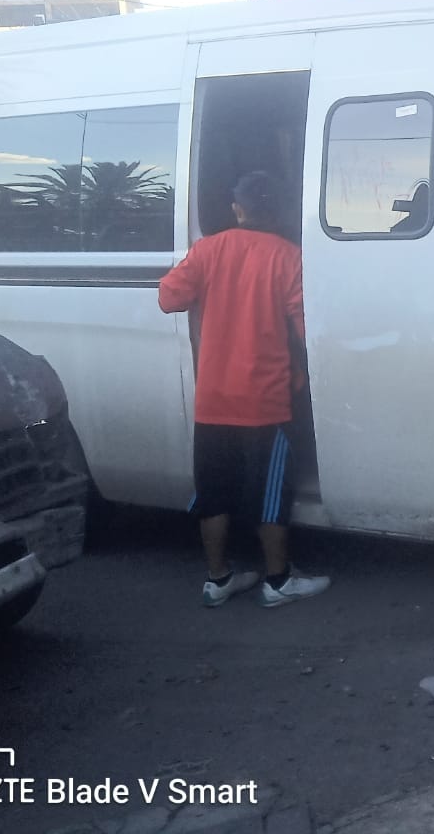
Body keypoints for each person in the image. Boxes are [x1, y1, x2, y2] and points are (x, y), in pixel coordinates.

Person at [159, 171, 330, 609]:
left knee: (212, 492)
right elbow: (307, 328)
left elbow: (168, 298)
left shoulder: (208, 250)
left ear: (238, 209)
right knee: (272, 495)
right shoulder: (289, 257)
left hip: (213, 400)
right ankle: (277, 582)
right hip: (265, 402)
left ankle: (218, 579)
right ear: (278, 213)